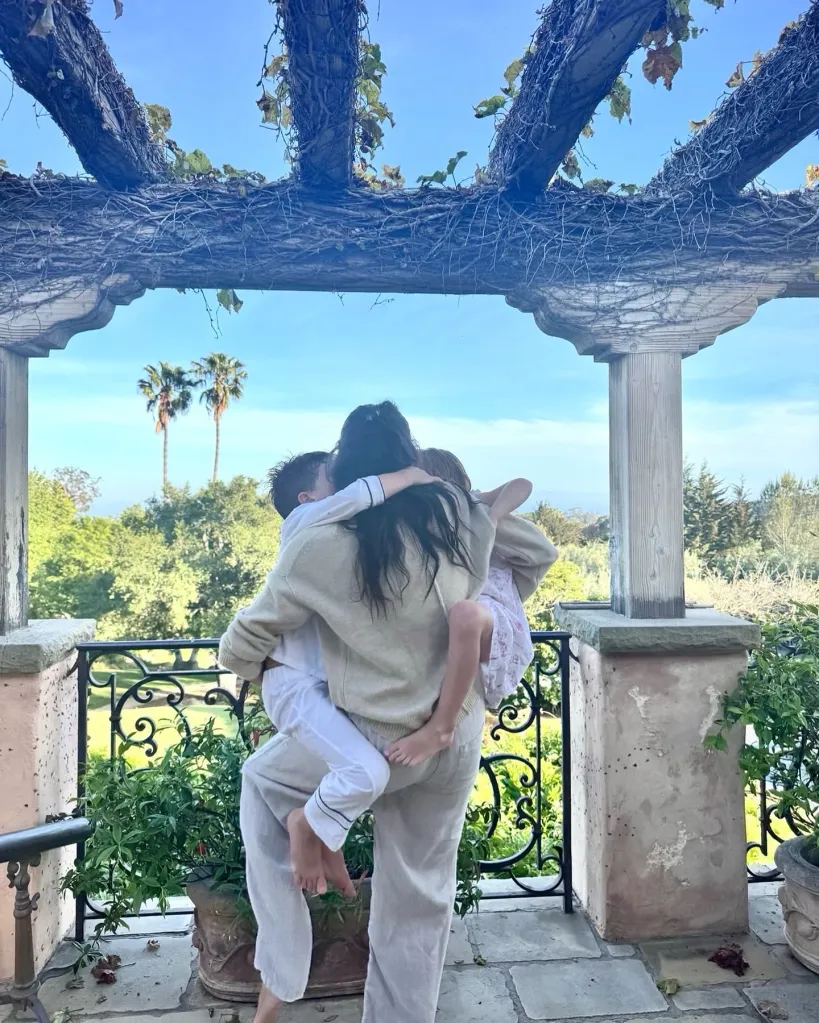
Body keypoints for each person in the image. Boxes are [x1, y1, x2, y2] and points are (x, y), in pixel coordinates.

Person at [219, 401, 557, 1023]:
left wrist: (263, 669)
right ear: (409, 459)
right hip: (452, 737)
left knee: (263, 780)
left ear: (345, 471)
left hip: (375, 736)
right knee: (418, 898)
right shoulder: (457, 521)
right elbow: (519, 542)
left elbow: (240, 645)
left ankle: (287, 955)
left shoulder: (319, 545)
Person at [259, 451, 440, 894]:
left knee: (356, 769)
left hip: (316, 688)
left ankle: (324, 838)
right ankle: (306, 825)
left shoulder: (330, 538)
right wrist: (413, 473)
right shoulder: (300, 523)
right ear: (306, 499)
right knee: (366, 774)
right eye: (328, 478)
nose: (339, 483)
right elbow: (361, 494)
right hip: (292, 685)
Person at [385, 447, 536, 766]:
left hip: (493, 614)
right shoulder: (423, 528)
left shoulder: (473, 508)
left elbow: (522, 484)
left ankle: (443, 727)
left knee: (465, 614)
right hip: (471, 614)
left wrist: (490, 519)